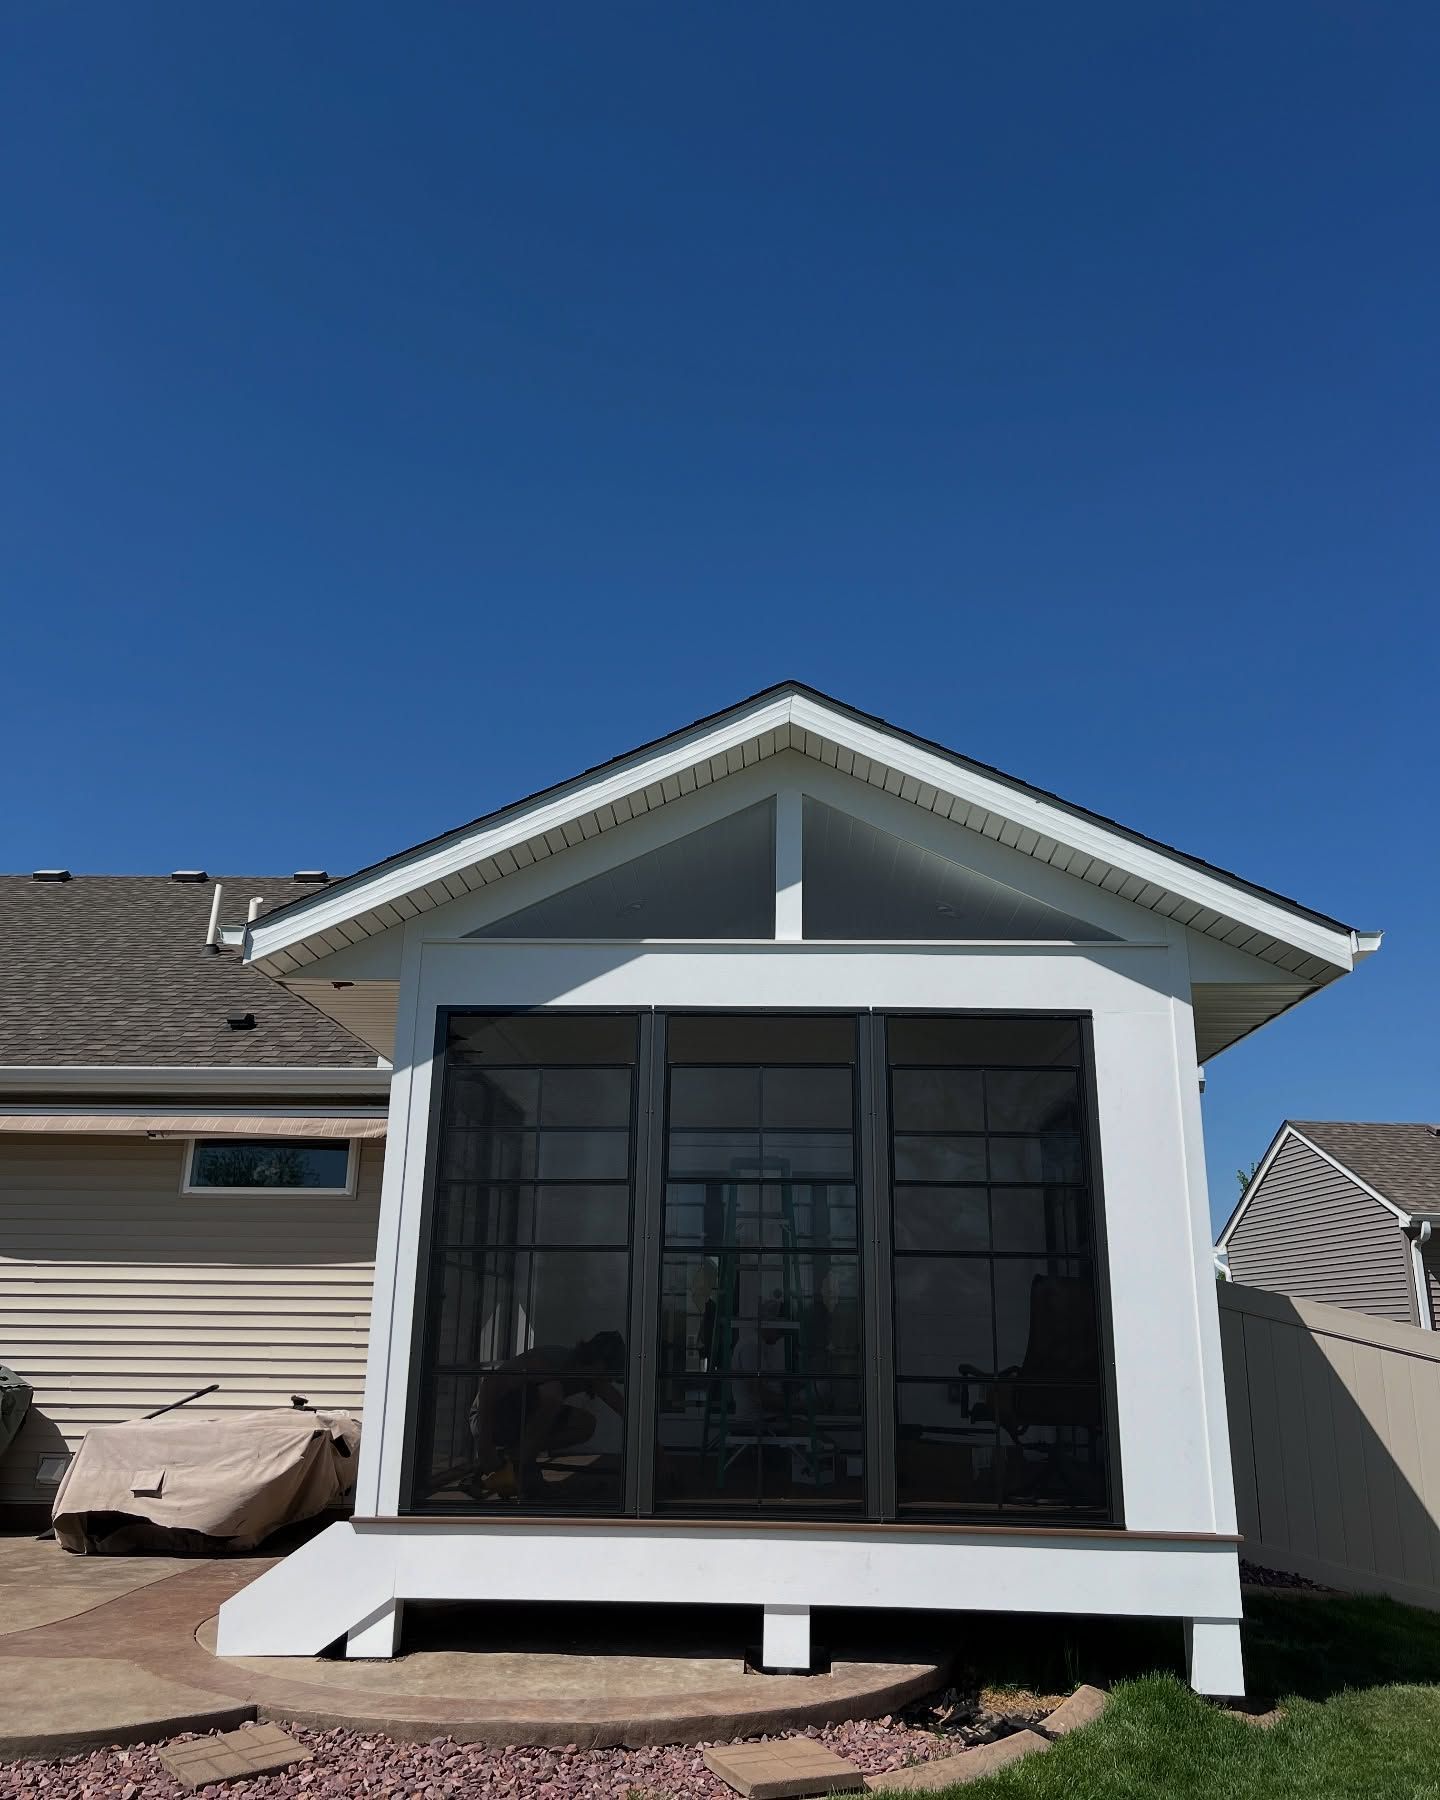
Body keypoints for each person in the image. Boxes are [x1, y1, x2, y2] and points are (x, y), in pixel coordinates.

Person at [466, 1331, 624, 1500]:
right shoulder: (551, 1361)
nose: (607, 1381)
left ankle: (515, 1458)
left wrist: (652, 1454)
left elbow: (622, 1407)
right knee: (552, 1393)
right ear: (597, 1361)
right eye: (607, 1374)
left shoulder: (592, 1375)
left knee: (584, 1424)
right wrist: (485, 1445)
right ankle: (521, 1468)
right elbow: (490, 1385)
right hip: (489, 1418)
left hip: (517, 1420)